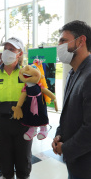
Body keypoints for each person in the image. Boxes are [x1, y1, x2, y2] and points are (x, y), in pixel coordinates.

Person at [0, 37, 32, 179]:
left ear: (19, 53)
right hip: (1, 126)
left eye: (11, 49)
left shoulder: (27, 75)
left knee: (23, 163)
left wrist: (37, 125)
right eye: (6, 49)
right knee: (5, 163)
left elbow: (36, 102)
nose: (7, 52)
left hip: (23, 125)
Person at [52, 20, 91, 179]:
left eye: (63, 41)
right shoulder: (72, 74)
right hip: (75, 162)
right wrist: (59, 135)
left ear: (81, 41)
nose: (59, 46)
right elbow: (69, 112)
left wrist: (65, 148)